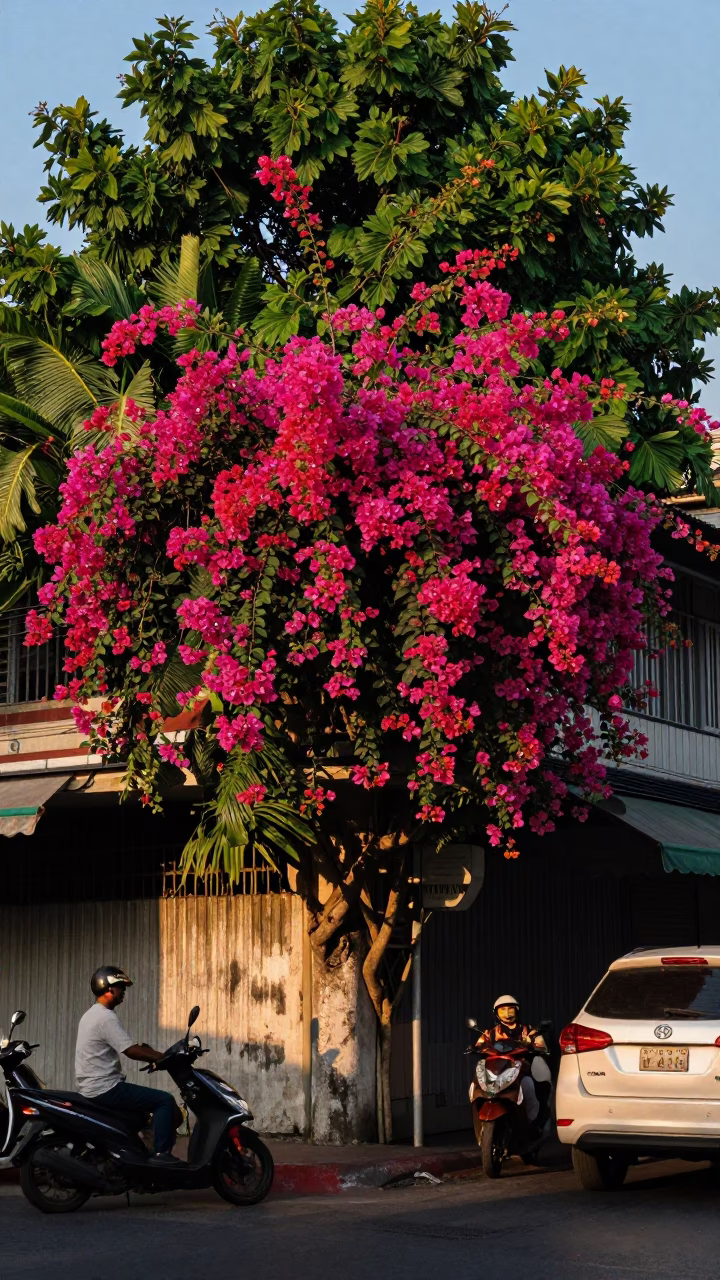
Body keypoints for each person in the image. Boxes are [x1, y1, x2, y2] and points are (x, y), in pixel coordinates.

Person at [75, 965, 182, 1166]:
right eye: (120, 987)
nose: (123, 992)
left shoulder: (92, 1014)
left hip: (93, 1086)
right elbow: (130, 1050)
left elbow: (133, 1048)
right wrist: (165, 1057)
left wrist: (154, 1056)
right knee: (165, 1101)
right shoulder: (105, 1017)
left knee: (140, 1115)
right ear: (108, 989)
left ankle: (137, 1152)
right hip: (105, 1087)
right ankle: (161, 1155)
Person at [475, 994, 548, 1126]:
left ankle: (532, 1124)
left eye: (511, 1009)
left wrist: (532, 1044)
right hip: (496, 1070)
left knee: (528, 1087)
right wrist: (475, 1047)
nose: (507, 1013)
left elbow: (541, 1045)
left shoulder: (528, 1031)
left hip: (520, 1071)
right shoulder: (490, 1033)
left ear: (517, 1011)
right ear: (496, 1013)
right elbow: (479, 1044)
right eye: (502, 1010)